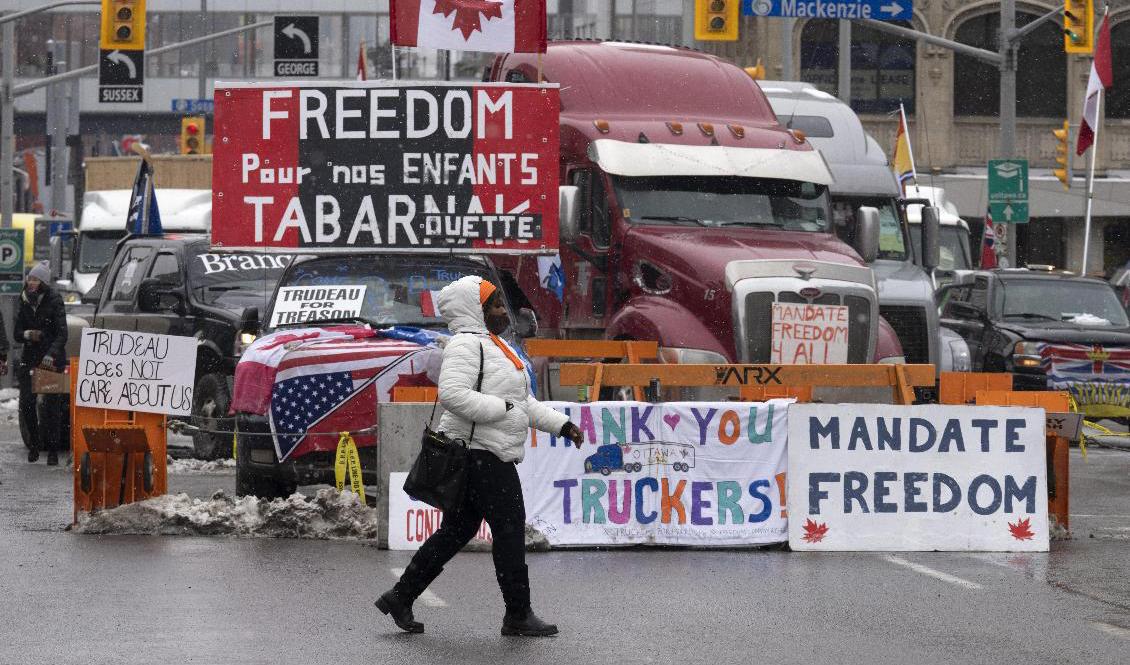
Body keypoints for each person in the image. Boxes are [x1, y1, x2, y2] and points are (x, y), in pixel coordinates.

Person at [376, 276, 584, 637]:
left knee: (457, 531)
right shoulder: (466, 346)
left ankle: (401, 595)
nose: (504, 312)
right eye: (496, 307)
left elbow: (525, 404)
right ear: (477, 311)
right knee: (508, 530)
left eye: (501, 306)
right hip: (479, 453)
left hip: (487, 452)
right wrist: (500, 407)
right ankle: (517, 614)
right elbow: (453, 394)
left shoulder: (497, 346)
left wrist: (562, 426)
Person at [16, 261, 67, 465]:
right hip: (30, 359)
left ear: (43, 282)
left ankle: (53, 449)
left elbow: (62, 333)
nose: (31, 282)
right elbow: (17, 333)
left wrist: (51, 353)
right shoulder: (24, 300)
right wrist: (28, 334)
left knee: (51, 405)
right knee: (27, 403)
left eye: (35, 279)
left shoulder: (55, 300)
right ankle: (35, 443)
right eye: (30, 278)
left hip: (51, 359)